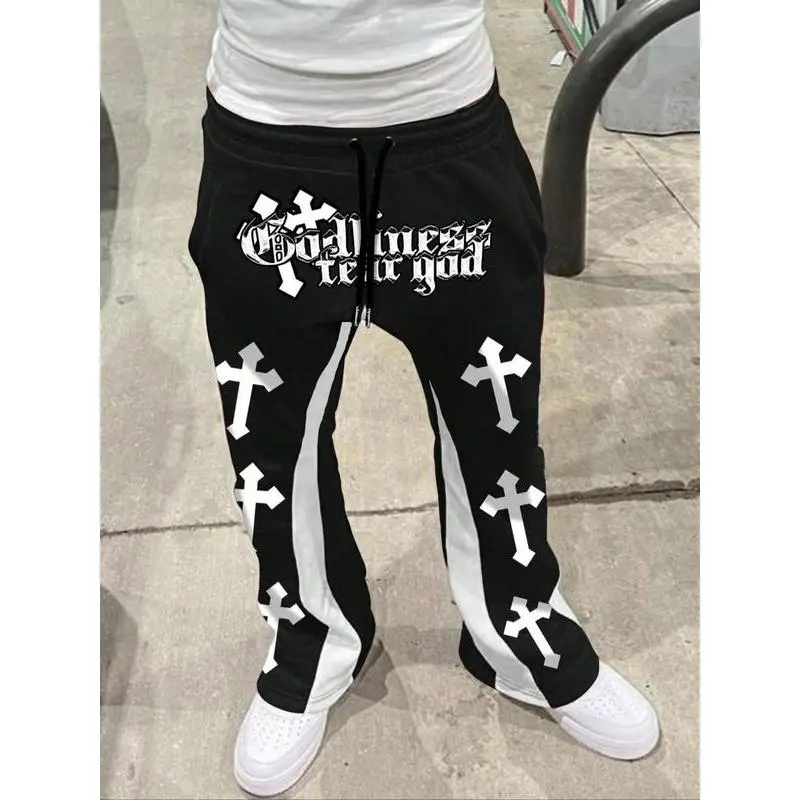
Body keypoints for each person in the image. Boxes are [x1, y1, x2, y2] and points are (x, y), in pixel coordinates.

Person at [187, 1, 660, 795]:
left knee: (496, 425)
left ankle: (520, 629)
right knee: (271, 438)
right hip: (269, 130)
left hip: (447, 120)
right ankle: (310, 641)